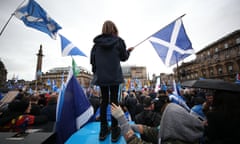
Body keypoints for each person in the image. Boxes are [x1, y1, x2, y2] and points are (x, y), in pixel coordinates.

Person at [90, 20, 134, 142]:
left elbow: (92, 61)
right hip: (114, 75)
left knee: (104, 101)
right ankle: (115, 130)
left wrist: (96, 73)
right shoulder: (119, 41)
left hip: (102, 76)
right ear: (114, 29)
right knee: (114, 101)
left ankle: (103, 130)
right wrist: (129, 51)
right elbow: (124, 57)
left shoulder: (96, 45)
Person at [111, 95, 204, 144]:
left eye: (166, 120)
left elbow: (135, 142)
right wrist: (130, 126)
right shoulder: (181, 135)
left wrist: (122, 120)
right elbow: (153, 132)